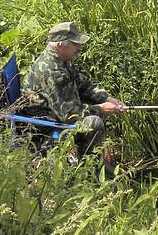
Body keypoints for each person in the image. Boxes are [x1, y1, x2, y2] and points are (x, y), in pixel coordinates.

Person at [22, 21, 126, 169]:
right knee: (94, 123)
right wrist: (101, 109)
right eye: (75, 44)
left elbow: (81, 83)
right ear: (60, 44)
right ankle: (95, 172)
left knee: (94, 114)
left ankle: (94, 164)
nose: (79, 48)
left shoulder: (62, 59)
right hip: (46, 125)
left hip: (58, 113)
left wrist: (106, 98)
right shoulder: (53, 72)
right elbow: (70, 115)